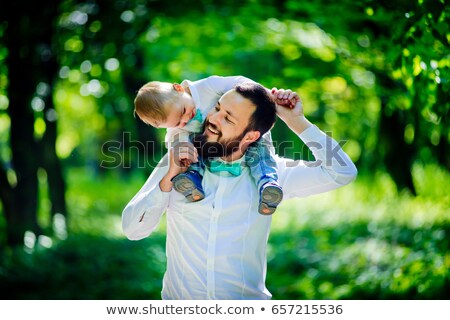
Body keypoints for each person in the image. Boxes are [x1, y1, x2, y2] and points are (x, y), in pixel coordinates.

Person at [122, 82, 358, 299]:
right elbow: (133, 230)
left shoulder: (274, 175)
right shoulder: (178, 161)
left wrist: (296, 121)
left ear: (252, 136)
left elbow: (342, 172)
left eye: (228, 118)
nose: (213, 118)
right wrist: (167, 179)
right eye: (216, 108)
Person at [134, 76, 282, 215]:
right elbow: (176, 141)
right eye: (178, 123)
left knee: (260, 154)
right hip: (209, 143)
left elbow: (242, 84)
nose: (185, 120)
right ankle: (192, 179)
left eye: (183, 111)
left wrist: (270, 97)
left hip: (246, 135)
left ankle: (268, 184)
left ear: (179, 89)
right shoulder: (177, 129)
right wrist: (183, 147)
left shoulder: (207, 87)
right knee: (192, 150)